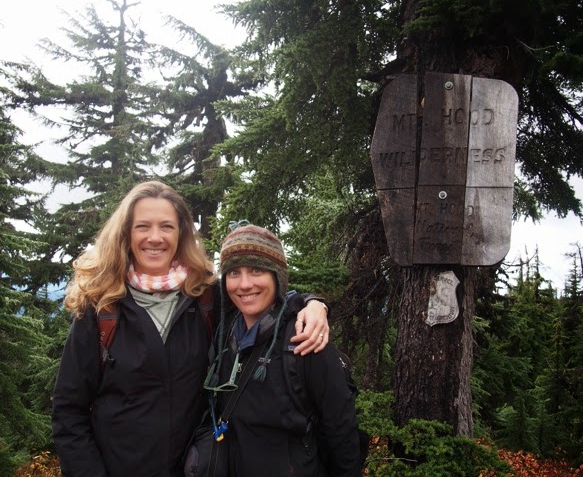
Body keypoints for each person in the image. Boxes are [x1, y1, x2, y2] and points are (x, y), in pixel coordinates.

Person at [51, 181, 330, 476]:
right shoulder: (101, 307)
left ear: (181, 233)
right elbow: (69, 410)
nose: (155, 237)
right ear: (126, 233)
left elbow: (264, 300)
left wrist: (313, 304)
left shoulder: (206, 296)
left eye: (167, 227)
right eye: (143, 226)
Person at [202, 221, 360, 476]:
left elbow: (342, 434)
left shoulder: (305, 339)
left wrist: (314, 304)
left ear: (277, 276)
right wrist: (313, 301)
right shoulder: (225, 332)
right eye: (234, 272)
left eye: (256, 270)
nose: (244, 284)